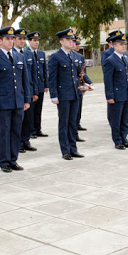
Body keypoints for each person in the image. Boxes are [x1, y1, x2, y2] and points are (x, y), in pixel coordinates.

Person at [0, 27, 31, 172]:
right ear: (0, 41)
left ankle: (13, 159)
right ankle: (4, 161)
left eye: (12, 38)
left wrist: (26, 99)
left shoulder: (19, 57)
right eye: (8, 39)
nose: (11, 41)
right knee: (4, 132)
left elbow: (25, 80)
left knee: (16, 132)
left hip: (18, 101)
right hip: (3, 103)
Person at [48, 28, 83, 160]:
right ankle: (65, 150)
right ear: (61, 41)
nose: (71, 41)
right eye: (68, 39)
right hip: (63, 95)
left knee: (73, 122)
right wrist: (53, 95)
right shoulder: (55, 57)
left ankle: (73, 148)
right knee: (64, 122)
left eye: (71, 39)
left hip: (75, 94)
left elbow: (77, 74)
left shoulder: (74, 56)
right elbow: (52, 78)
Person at [103, 32, 128, 150]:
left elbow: (127, 76)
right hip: (116, 94)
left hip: (126, 93)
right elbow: (108, 80)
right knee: (116, 119)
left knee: (125, 119)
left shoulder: (125, 59)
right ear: (114, 46)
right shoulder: (110, 60)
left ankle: (124, 138)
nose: (123, 46)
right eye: (121, 44)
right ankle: (117, 141)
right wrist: (109, 96)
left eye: (124, 44)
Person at [13, 28, 38, 153]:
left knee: (28, 118)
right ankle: (18, 144)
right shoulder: (11, 53)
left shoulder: (28, 54)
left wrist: (34, 91)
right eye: (19, 39)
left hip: (27, 91)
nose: (22, 41)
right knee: (18, 120)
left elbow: (33, 74)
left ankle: (26, 141)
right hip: (16, 92)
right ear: (14, 40)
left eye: (23, 39)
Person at [27, 31, 48, 138]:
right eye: (34, 40)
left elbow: (44, 69)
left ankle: (38, 129)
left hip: (40, 85)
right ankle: (31, 130)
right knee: (31, 109)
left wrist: (46, 84)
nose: (36, 43)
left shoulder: (41, 53)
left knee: (39, 109)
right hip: (30, 86)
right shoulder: (25, 53)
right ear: (29, 41)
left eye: (37, 41)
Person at [73, 36, 93, 136]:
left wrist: (89, 82)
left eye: (78, 44)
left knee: (78, 108)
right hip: (71, 88)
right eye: (76, 44)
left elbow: (83, 73)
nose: (77, 46)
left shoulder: (80, 57)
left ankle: (77, 124)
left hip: (80, 87)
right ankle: (74, 129)